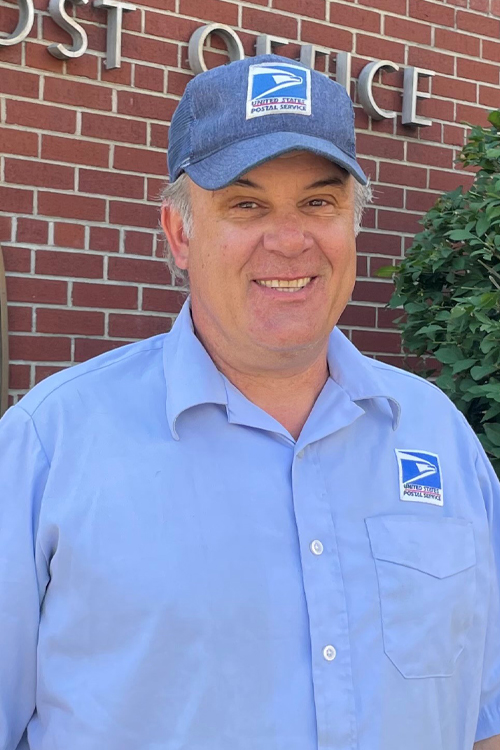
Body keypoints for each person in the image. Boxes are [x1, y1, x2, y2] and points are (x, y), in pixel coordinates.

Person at [0, 53, 498, 750]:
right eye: (245, 203)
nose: (290, 240)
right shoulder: (48, 448)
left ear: (352, 224)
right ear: (181, 233)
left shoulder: (441, 439)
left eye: (319, 202)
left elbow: (484, 722)